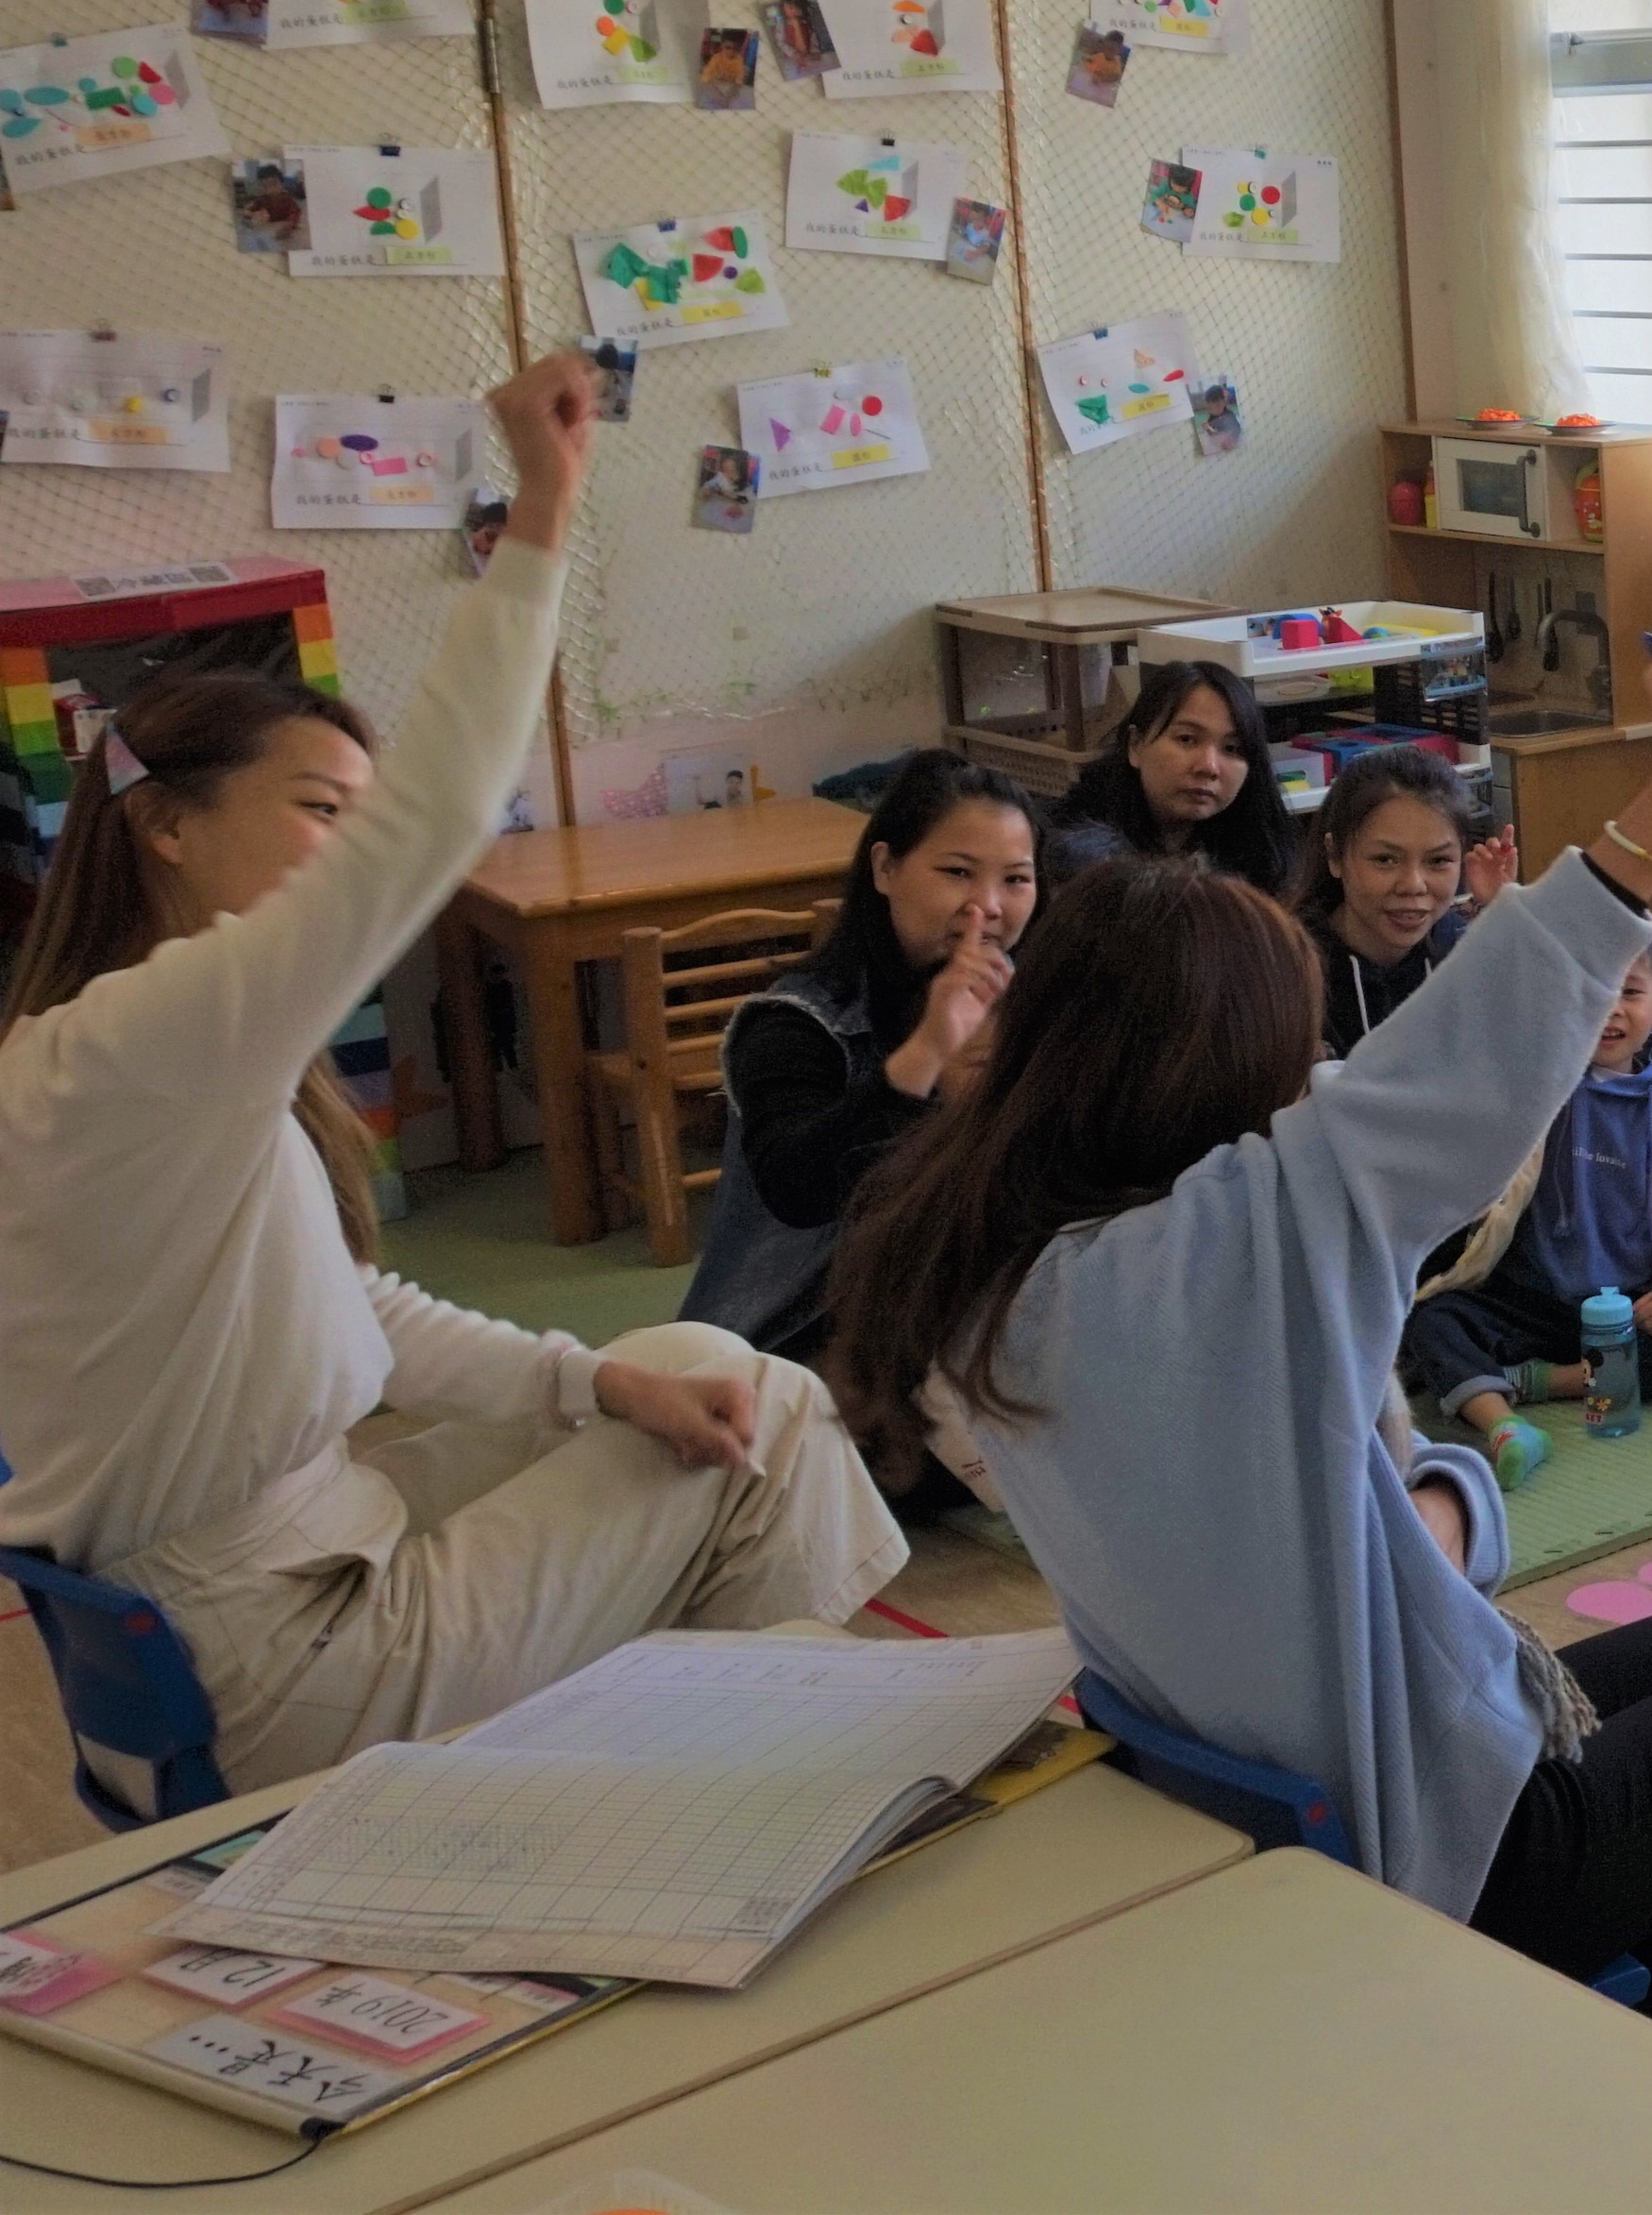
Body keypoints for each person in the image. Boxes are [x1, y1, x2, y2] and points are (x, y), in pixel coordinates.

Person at [828, 638, 1652, 2031]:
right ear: (1212, 1068)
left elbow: (1318, 1521)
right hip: (1414, 1837)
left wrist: (1430, 1508)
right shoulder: (1244, 1232)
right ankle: (1585, 2046)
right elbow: (1484, 1036)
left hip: (1261, 1777)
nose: (1310, 1077)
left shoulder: (996, 1270)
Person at [0, 352, 903, 1794]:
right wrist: (541, 507)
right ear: (165, 827)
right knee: (776, 1421)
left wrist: (595, 1380)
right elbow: (429, 829)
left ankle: (744, 1765)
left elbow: (352, 1303)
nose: (348, 852)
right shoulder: (139, 1047)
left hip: (283, 1565)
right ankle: (797, 1784)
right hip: (280, 1649)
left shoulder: (121, 1061)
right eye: (322, 812)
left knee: (705, 1374)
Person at [680, 751, 1038, 1368]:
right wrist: (927, 1052)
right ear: (885, 868)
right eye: (957, 872)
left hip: (959, 1320)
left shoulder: (1030, 1000)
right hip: (798, 1344)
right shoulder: (795, 1022)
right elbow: (798, 1189)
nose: (989, 906)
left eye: (1016, 879)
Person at [1404, 953, 1652, 1487]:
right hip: (1529, 1299)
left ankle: (1545, 1381)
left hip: (1627, 1307)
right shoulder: (1534, 1082)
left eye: (1628, 993)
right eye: (1591, 992)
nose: (1609, 1009)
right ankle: (1505, 1426)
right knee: (1432, 1319)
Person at [1304, 747, 1509, 1057]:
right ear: (1335, 856)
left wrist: (1504, 921)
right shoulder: (1287, 974)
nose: (1413, 885)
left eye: (1438, 860)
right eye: (1385, 859)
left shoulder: (1461, 950)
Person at [1048, 659, 1299, 899]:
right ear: (1135, 745)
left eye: (1232, 748)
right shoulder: (1081, 861)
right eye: (1187, 739)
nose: (1209, 767)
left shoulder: (1259, 854)